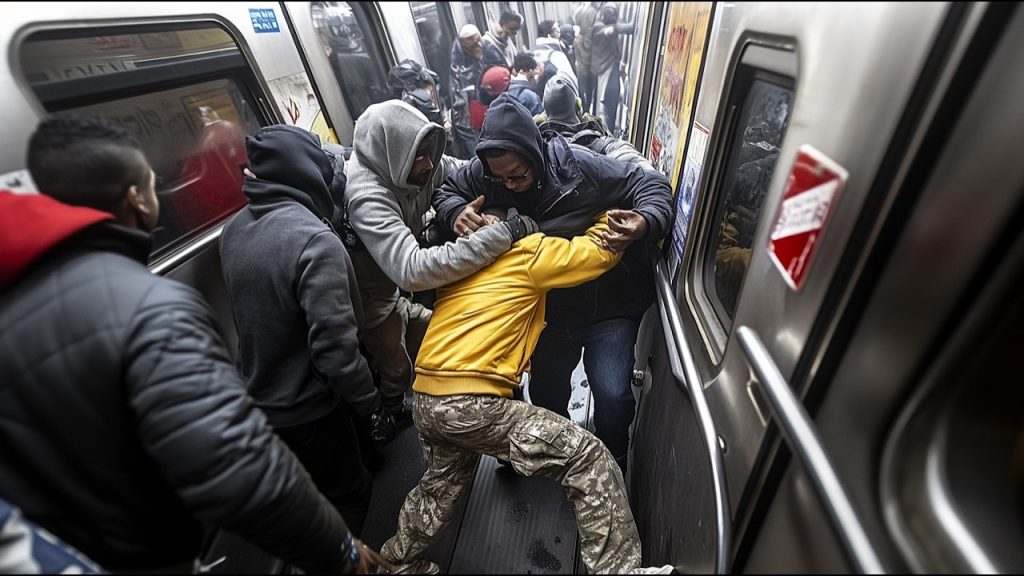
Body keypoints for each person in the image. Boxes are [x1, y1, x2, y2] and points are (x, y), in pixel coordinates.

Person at [0, 114, 385, 574]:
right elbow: (238, 470)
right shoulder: (150, 308)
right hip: (157, 543)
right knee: (349, 491)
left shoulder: (235, 230)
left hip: (67, 549)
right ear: (136, 198)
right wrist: (341, 552)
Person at [378, 210, 676, 575]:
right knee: (587, 456)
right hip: (470, 401)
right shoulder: (526, 252)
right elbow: (596, 253)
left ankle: (395, 563)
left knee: (439, 488)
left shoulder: (458, 264)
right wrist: (606, 214)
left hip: (426, 397)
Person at [432, 94, 673, 473]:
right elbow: (445, 192)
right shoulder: (487, 173)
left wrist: (645, 222)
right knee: (546, 395)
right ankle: (555, 455)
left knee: (612, 394)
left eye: (518, 176)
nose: (509, 186)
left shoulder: (581, 167)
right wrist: (455, 211)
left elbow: (651, 185)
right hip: (545, 313)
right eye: (500, 179)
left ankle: (611, 459)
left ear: (535, 156)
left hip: (607, 305)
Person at [219, 124, 393, 535]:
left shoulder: (234, 230)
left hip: (259, 399)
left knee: (313, 495)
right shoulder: (314, 241)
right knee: (352, 494)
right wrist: (372, 406)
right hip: (310, 406)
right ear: (306, 173)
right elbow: (336, 353)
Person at [343, 99, 538, 439]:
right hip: (372, 300)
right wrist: (502, 234)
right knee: (398, 369)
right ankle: (386, 418)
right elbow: (412, 270)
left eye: (430, 151)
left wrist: (458, 208)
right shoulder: (366, 196)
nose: (429, 163)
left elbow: (469, 176)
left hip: (399, 295)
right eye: (419, 156)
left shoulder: (423, 165)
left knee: (445, 338)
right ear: (394, 153)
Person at [537, 70, 653, 170]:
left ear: (545, 112)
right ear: (578, 105)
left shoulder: (537, 147)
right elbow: (636, 163)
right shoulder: (600, 143)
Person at [590, 2, 636, 132]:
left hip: (609, 69)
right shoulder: (599, 28)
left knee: (610, 104)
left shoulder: (600, 26)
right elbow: (621, 29)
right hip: (605, 70)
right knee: (606, 106)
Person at [449, 24, 485, 159]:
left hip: (481, 112)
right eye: (474, 44)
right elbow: (458, 97)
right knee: (476, 156)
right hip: (466, 118)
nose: (479, 45)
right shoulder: (457, 65)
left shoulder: (483, 51)